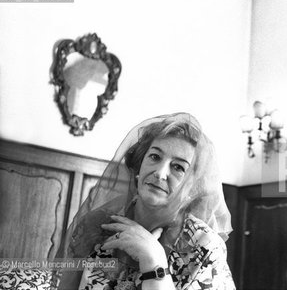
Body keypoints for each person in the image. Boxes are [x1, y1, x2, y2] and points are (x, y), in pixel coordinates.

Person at [55, 113, 235, 290]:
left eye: (178, 167)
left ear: (193, 187)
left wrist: (154, 262)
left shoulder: (204, 246)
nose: (160, 173)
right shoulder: (95, 224)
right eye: (155, 157)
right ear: (140, 163)